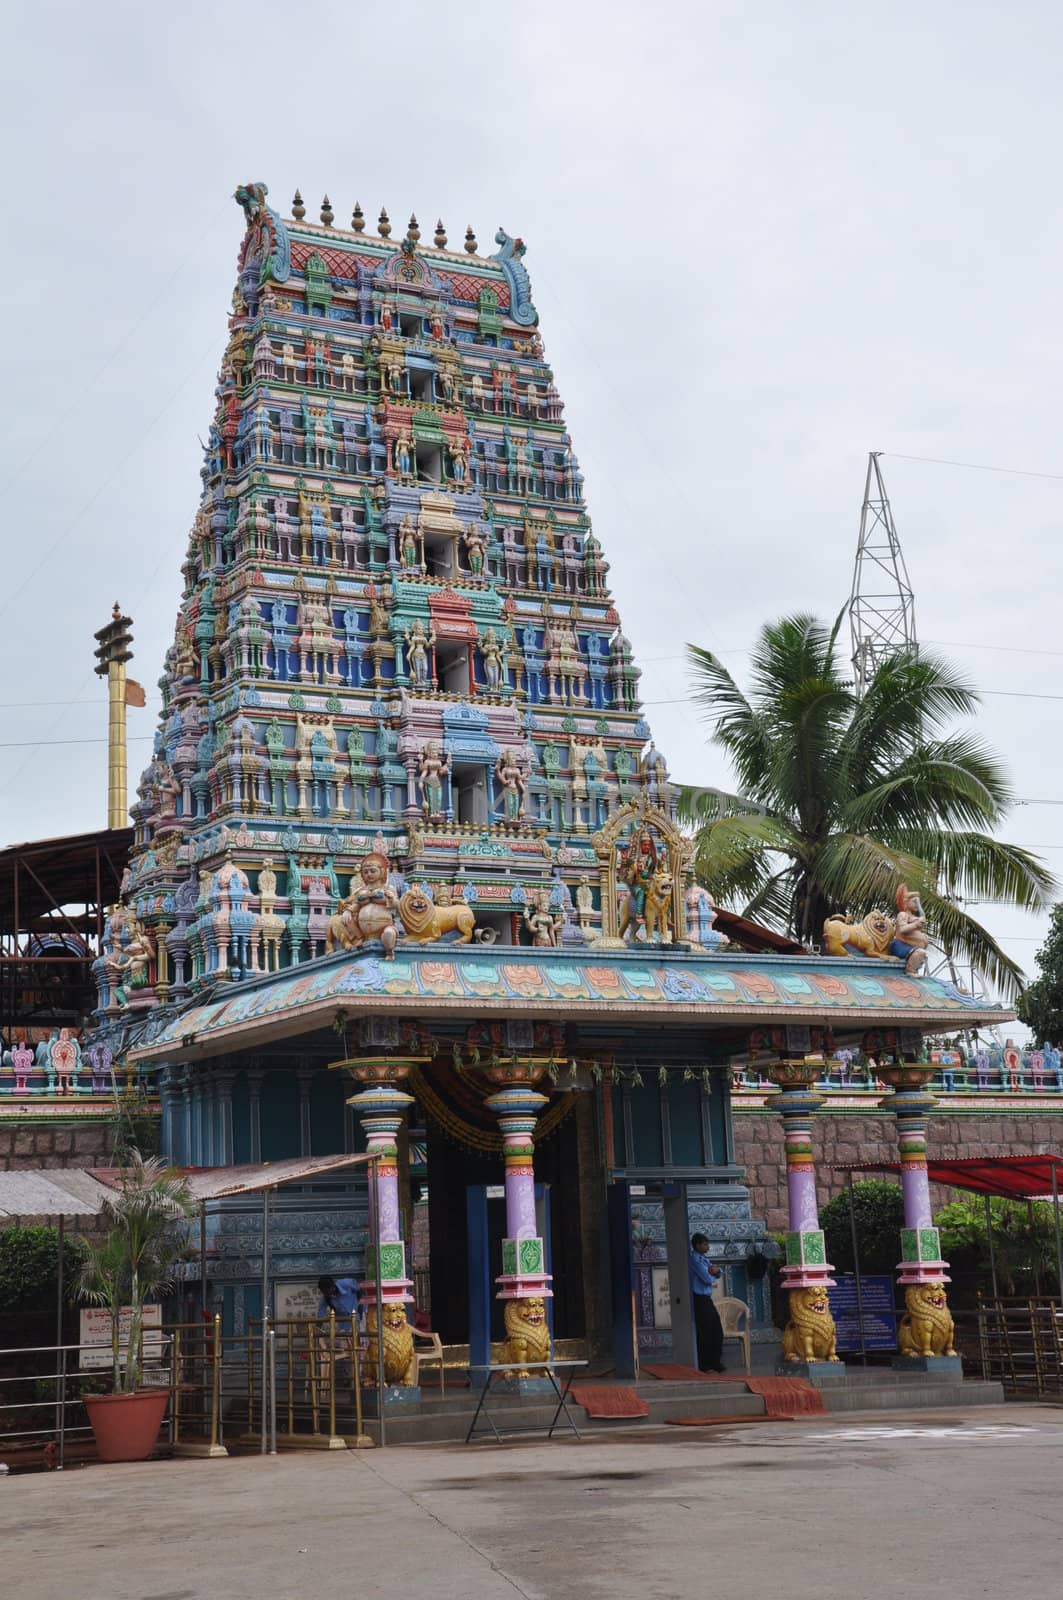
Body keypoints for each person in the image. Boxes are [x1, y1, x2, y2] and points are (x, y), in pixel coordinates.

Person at [689, 1233, 725, 1373]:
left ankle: (715, 1361)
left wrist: (715, 1271)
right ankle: (705, 1364)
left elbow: (719, 1272)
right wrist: (713, 1272)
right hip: (699, 1299)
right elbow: (707, 1279)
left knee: (716, 1330)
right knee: (704, 1332)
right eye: (704, 1244)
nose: (707, 1247)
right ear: (697, 1245)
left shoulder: (704, 1259)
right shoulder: (695, 1260)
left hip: (706, 1299)